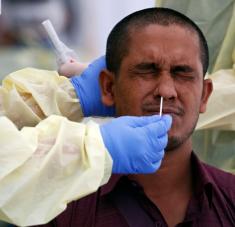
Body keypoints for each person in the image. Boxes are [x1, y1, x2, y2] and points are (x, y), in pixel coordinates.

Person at [34, 7, 234, 227]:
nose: (166, 91)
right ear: (109, 87)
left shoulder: (229, 198)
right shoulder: (63, 208)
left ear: (205, 95)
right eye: (147, 70)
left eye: (182, 73)